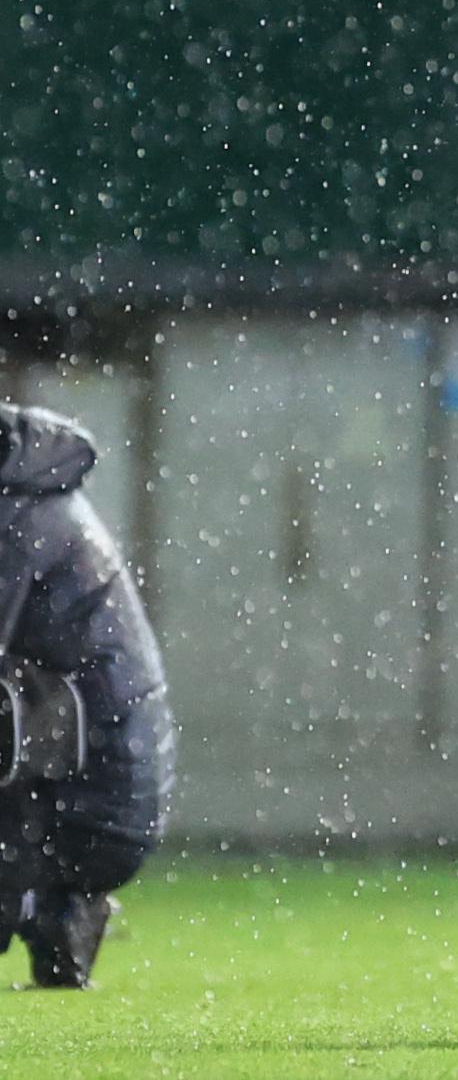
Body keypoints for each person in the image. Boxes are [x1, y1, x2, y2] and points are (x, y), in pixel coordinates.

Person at [0, 403, 174, 988]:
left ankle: (39, 904)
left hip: (89, 806)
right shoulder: (37, 500)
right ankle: (57, 914)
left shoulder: (18, 518)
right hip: (108, 795)